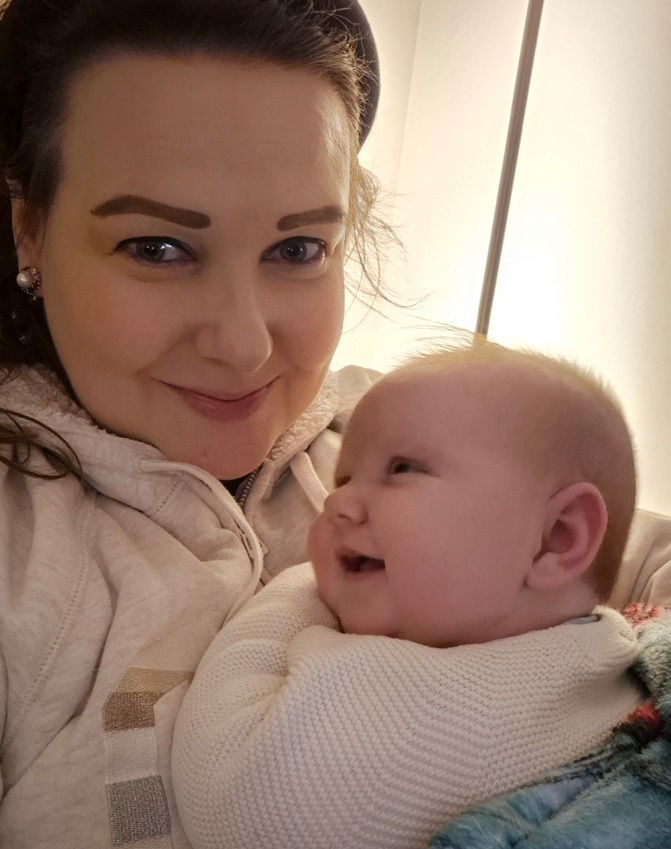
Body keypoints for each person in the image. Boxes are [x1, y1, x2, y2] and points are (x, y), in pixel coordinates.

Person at [0, 0, 669, 847]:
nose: (244, 344)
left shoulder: (410, 429)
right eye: (157, 247)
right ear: (30, 228)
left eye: (296, 250)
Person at [172, 342, 647, 849]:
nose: (337, 502)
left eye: (402, 469)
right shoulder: (601, 662)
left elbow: (236, 806)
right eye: (344, 478)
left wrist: (295, 593)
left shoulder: (436, 709)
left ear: (558, 538)